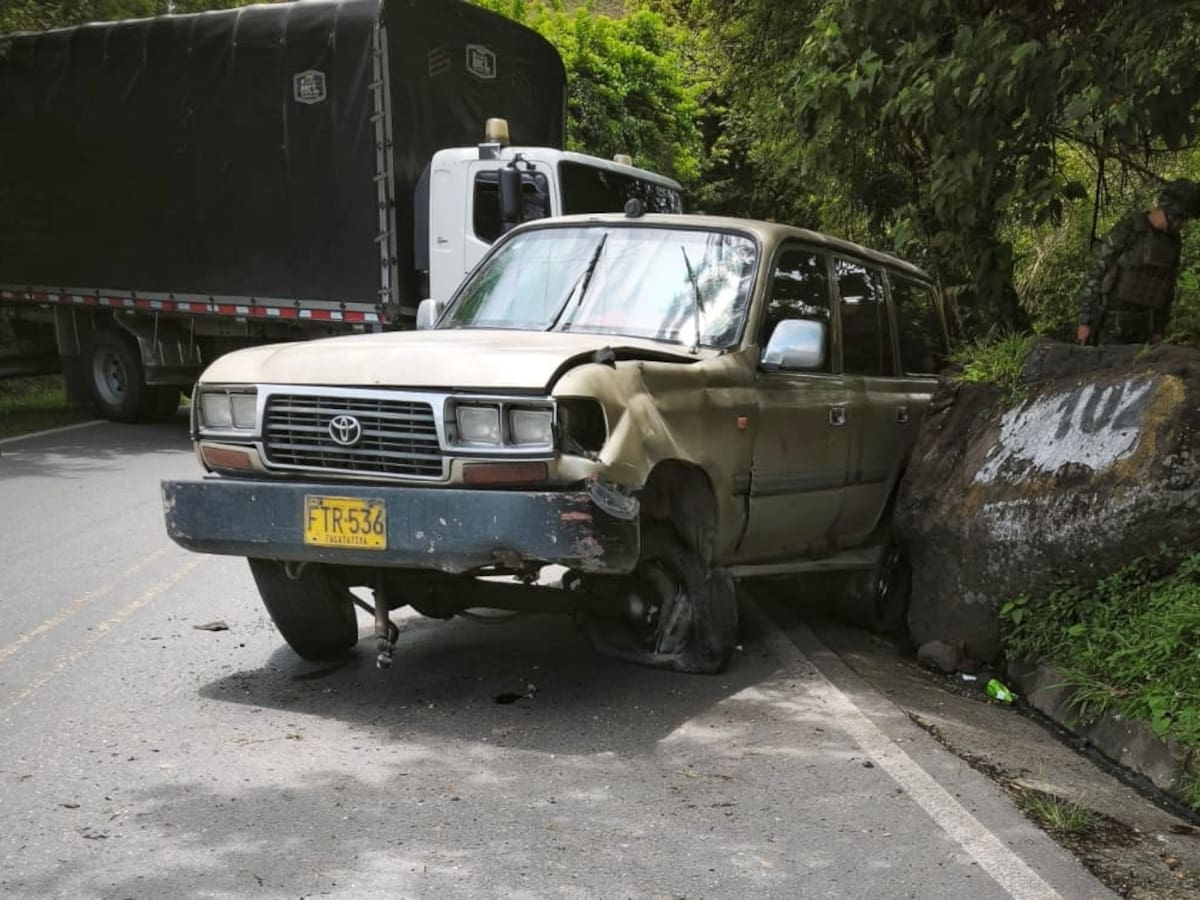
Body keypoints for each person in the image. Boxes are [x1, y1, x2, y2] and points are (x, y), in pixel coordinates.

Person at [1076, 178, 1200, 345]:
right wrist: (1085, 321)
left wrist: (1158, 330)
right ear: (1172, 212)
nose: (1182, 225)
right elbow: (1096, 272)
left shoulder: (1173, 242)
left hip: (1143, 330)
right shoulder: (1130, 229)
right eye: (1182, 219)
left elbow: (1166, 288)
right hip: (1110, 325)